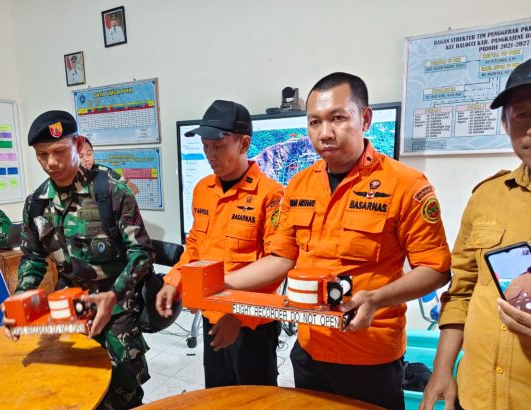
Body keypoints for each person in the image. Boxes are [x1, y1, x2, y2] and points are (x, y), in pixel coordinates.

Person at [224, 73, 451, 409]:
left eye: (338, 118)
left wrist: (376, 298)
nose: (325, 133)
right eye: (315, 122)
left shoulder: (406, 185)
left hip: (370, 356)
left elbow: (435, 269)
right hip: (310, 348)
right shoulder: (299, 185)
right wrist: (221, 283)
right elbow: (281, 258)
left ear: (365, 119)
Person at [2, 111, 154, 409]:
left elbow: (142, 253)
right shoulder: (36, 204)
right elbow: (33, 258)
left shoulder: (110, 191)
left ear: (78, 145)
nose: (51, 163)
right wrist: (20, 301)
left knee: (123, 389)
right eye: (42, 155)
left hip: (116, 303)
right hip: (70, 307)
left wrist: (114, 295)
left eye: (59, 152)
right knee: (77, 387)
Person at [420, 58, 531, 410]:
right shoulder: (487, 196)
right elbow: (462, 289)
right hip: (475, 394)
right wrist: (442, 370)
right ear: (506, 123)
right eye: (523, 115)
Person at [155, 99, 284, 387]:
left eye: (218, 146)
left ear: (243, 144)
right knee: (218, 393)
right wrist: (173, 281)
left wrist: (240, 315)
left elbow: (276, 264)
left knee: (255, 399)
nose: (210, 155)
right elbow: (195, 246)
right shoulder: (203, 189)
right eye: (205, 147)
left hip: (252, 322)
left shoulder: (271, 195)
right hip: (212, 314)